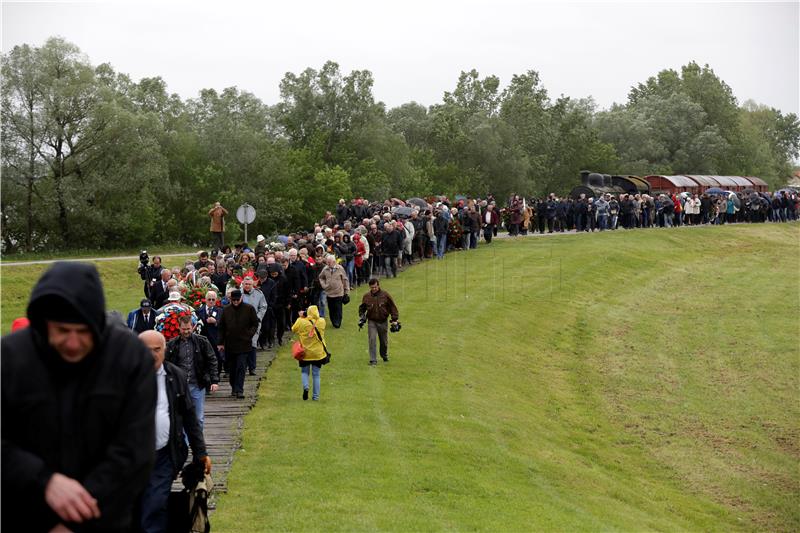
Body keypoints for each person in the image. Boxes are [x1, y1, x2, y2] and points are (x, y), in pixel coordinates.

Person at [1, 262, 156, 532]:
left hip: (105, 519)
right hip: (27, 515)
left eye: (83, 332)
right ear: (44, 324)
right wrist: (44, 481)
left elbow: (134, 450)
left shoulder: (128, 358)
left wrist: (76, 521)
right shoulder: (11, 358)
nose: (73, 343)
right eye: (62, 331)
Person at [138, 330, 211, 533]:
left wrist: (201, 452)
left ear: (165, 350)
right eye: (147, 350)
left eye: (157, 349)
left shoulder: (175, 376)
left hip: (165, 454)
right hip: (132, 457)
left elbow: (189, 417)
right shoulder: (124, 376)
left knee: (156, 501)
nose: (152, 354)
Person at [165, 315, 220, 430]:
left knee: (198, 417)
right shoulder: (172, 344)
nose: (186, 331)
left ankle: (197, 444)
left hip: (197, 385)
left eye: (188, 329)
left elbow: (212, 360)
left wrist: (214, 381)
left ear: (193, 327)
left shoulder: (202, 341)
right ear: (179, 328)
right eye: (184, 329)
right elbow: (166, 364)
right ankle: (184, 445)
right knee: (181, 416)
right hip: (179, 387)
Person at [217, 289, 259, 399]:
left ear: (241, 298)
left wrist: (249, 334)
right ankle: (233, 387)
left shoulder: (249, 309)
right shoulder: (226, 310)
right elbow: (221, 327)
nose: (235, 302)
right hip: (230, 344)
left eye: (237, 300)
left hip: (244, 344)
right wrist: (220, 342)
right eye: (233, 300)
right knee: (232, 368)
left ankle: (239, 389)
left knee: (241, 367)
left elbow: (255, 323)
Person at [291, 306, 330, 401]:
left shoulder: (301, 321)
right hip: (317, 353)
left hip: (305, 353)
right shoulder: (321, 321)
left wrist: (301, 317)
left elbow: (293, 329)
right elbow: (317, 318)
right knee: (316, 374)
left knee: (304, 372)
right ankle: (315, 397)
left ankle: (306, 386)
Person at [358, 278, 399, 366]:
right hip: (372, 321)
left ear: (378, 285)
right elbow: (362, 308)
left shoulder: (385, 295)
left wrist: (394, 319)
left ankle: (384, 355)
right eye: (372, 287)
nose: (374, 289)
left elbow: (392, 307)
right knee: (372, 339)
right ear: (370, 287)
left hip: (383, 321)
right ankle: (373, 360)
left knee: (384, 341)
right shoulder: (366, 296)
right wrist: (362, 317)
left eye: (375, 287)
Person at [241, 276, 267, 374]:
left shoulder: (259, 294)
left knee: (252, 343)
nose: (247, 286)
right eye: (245, 284)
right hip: (241, 323)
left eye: (249, 284)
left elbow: (263, 307)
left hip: (254, 323)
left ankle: (252, 368)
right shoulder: (239, 293)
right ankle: (243, 366)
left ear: (252, 285)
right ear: (243, 284)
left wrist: (258, 317)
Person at [318, 254, 350, 329]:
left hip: (339, 292)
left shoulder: (340, 268)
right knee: (331, 308)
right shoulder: (325, 269)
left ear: (334, 262)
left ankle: (337, 322)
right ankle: (333, 321)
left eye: (329, 262)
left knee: (338, 308)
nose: (328, 264)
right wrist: (324, 285)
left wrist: (346, 291)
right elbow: (321, 277)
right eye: (327, 262)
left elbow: (345, 280)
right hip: (329, 293)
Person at [197, 290, 224, 377]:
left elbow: (224, 323)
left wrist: (215, 322)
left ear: (216, 300)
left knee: (217, 358)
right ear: (205, 300)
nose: (211, 301)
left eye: (213, 299)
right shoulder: (199, 310)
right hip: (203, 338)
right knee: (204, 358)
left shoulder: (220, 310)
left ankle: (216, 376)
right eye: (209, 299)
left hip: (216, 338)